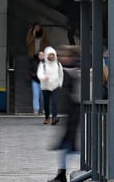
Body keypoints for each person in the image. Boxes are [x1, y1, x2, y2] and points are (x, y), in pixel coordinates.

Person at [47, 45, 81, 182]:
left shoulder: (73, 72)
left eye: (64, 55)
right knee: (67, 145)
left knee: (69, 144)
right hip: (70, 112)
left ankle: (62, 173)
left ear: (71, 57)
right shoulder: (68, 71)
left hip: (75, 112)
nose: (61, 58)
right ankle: (61, 173)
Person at [27, 22, 49, 115]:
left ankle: (44, 108)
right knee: (36, 94)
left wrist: (43, 51)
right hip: (33, 55)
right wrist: (33, 34)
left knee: (42, 94)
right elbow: (28, 43)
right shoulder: (31, 34)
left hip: (40, 54)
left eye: (38, 27)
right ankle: (36, 109)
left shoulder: (43, 34)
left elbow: (47, 43)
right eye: (36, 27)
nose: (37, 29)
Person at [38, 46, 63, 125]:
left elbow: (61, 74)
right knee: (46, 103)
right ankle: (47, 117)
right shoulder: (43, 64)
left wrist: (60, 83)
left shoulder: (58, 64)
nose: (52, 56)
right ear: (47, 55)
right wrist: (43, 77)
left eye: (53, 55)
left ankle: (54, 117)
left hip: (55, 86)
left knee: (55, 102)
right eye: (50, 55)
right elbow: (39, 73)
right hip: (45, 87)